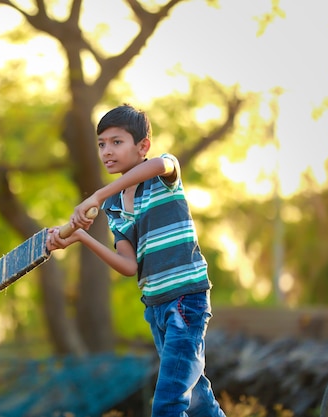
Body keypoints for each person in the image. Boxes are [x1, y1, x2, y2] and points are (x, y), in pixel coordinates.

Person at [46, 104, 227, 417]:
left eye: (117, 142)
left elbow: (161, 163)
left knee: (167, 406)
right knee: (199, 402)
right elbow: (128, 266)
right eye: (101, 144)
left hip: (185, 302)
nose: (107, 151)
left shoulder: (163, 177)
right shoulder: (115, 207)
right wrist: (81, 237)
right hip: (156, 307)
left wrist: (97, 195)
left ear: (142, 145)